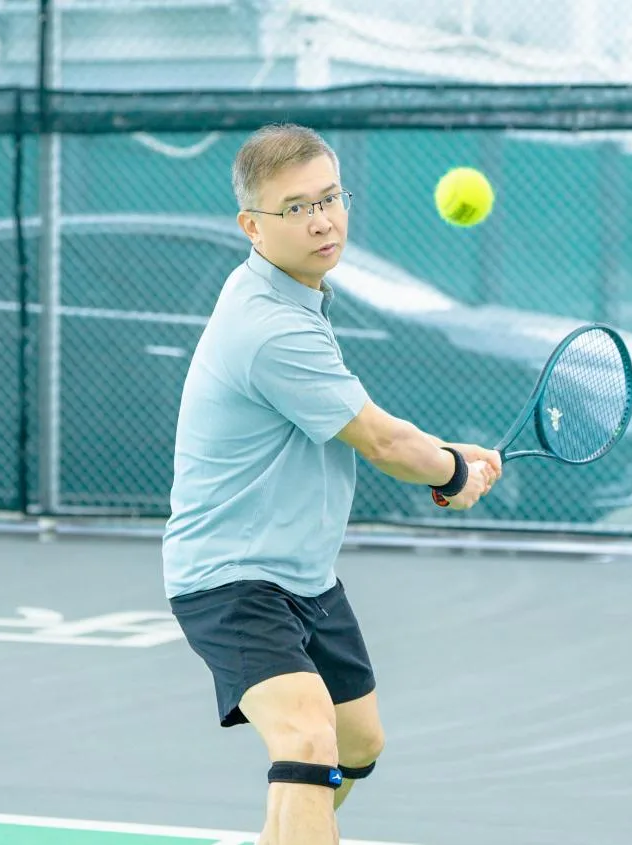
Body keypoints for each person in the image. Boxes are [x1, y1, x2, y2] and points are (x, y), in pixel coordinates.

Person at [162, 122, 502, 845]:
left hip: (305, 574)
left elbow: (364, 420)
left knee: (356, 742)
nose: (321, 220)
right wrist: (452, 473)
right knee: (307, 737)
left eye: (329, 198)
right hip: (231, 576)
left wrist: (444, 452)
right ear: (252, 226)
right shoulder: (269, 326)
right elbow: (381, 442)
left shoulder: (291, 295)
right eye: (296, 207)